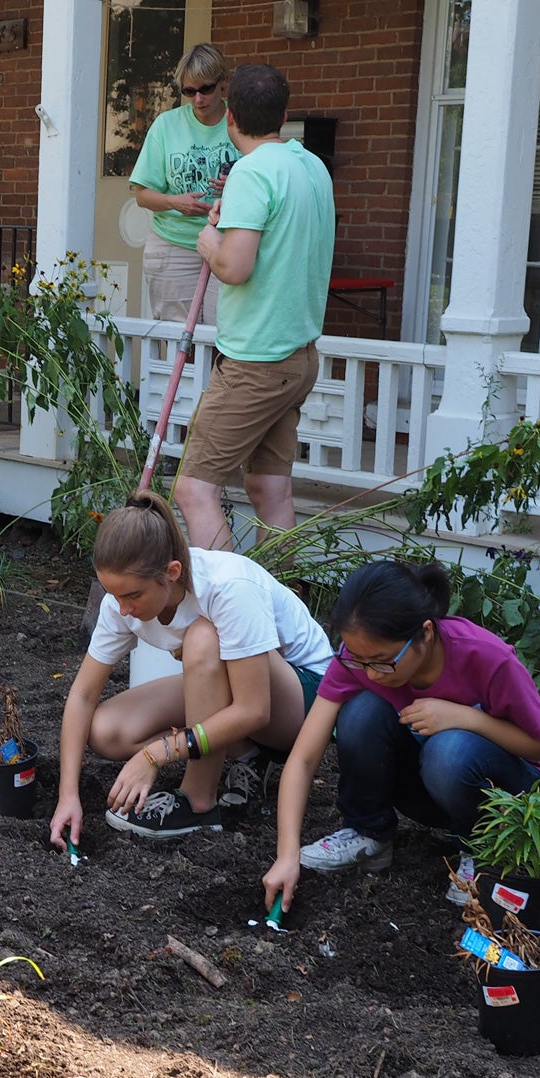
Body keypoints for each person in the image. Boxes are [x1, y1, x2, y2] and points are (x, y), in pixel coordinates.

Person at [261, 560, 540, 920]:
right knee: (361, 710)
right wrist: (286, 855)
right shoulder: (357, 662)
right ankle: (370, 833)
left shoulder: (486, 657)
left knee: (449, 749)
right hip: (433, 788)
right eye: (359, 659)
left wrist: (464, 717)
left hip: (510, 798)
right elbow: (304, 758)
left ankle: (482, 851)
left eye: (383, 661)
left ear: (426, 633)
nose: (370, 672)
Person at [49, 492, 333, 843]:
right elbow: (82, 695)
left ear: (172, 573)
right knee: (107, 730)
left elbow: (255, 710)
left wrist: (157, 754)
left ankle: (198, 802)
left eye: (133, 596)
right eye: (113, 594)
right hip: (240, 693)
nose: (121, 608)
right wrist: (68, 796)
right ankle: (248, 755)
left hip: (305, 704)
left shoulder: (227, 588)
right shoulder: (120, 604)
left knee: (202, 637)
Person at [177, 62, 335, 552]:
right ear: (284, 116)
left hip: (255, 362)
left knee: (193, 489)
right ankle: (288, 608)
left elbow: (234, 266)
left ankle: (234, 614)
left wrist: (207, 239)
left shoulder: (251, 173)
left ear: (230, 117)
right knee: (269, 487)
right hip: (298, 358)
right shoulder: (312, 166)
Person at [127, 42, 236, 326]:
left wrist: (236, 185)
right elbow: (142, 194)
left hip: (229, 244)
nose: (198, 99)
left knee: (224, 335)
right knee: (177, 340)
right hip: (173, 245)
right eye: (189, 91)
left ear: (222, 82)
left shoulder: (239, 123)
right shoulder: (166, 125)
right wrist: (176, 202)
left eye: (206, 89)